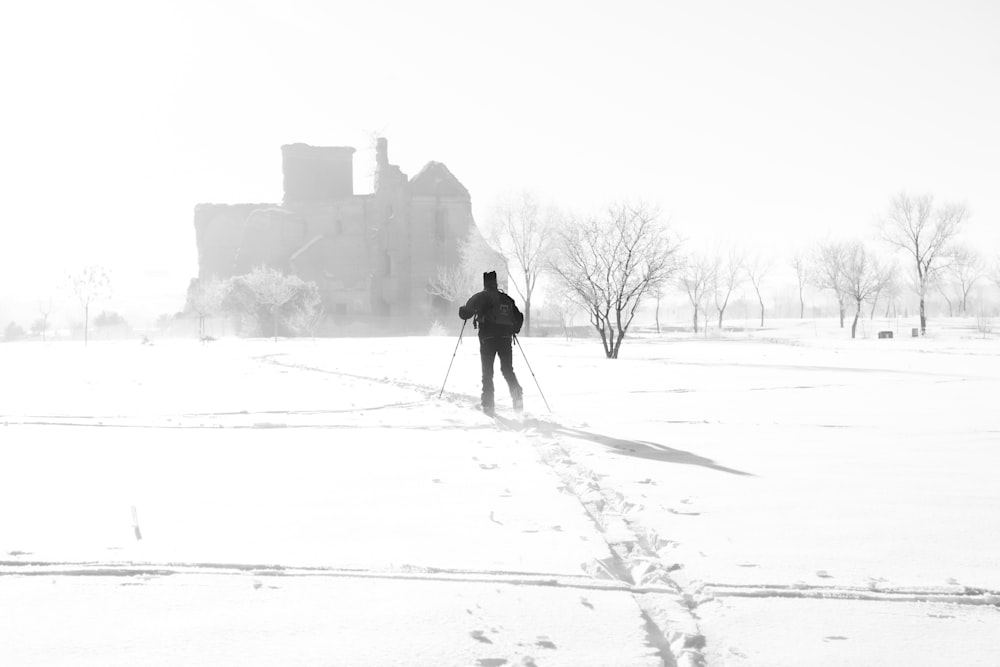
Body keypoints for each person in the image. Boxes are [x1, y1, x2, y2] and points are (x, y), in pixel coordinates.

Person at [458, 271, 524, 416]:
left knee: (487, 373)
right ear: (496, 283)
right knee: (507, 370)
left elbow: (465, 313)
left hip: (487, 339)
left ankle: (488, 406)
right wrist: (512, 329)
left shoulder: (479, 297)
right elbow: (519, 317)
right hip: (505, 339)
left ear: (485, 283)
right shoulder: (506, 298)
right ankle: (517, 395)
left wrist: (462, 310)